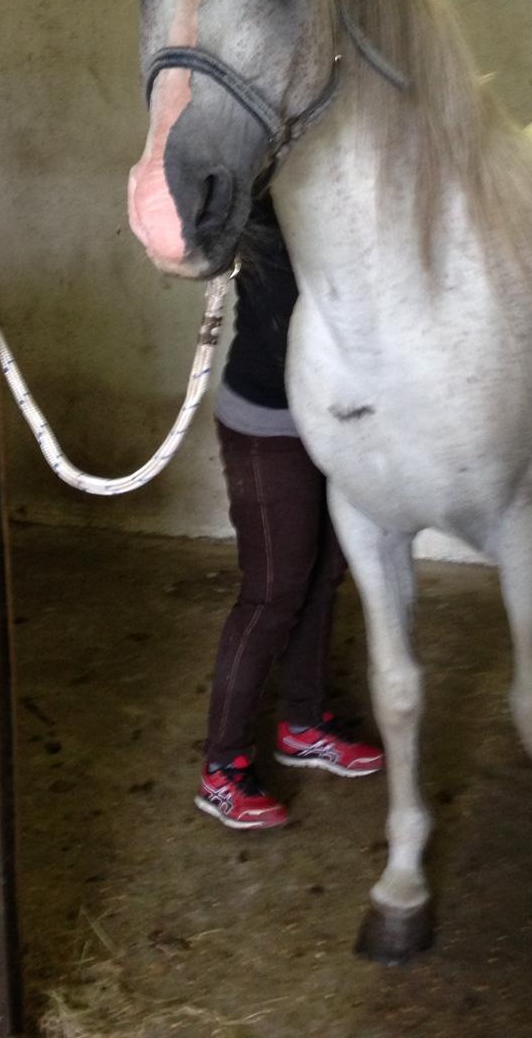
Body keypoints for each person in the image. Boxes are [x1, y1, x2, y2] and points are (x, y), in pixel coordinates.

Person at [195, 195, 384, 830]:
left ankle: (303, 724)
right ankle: (221, 770)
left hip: (333, 422)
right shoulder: (266, 207)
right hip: (269, 424)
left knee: (326, 574)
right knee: (272, 592)